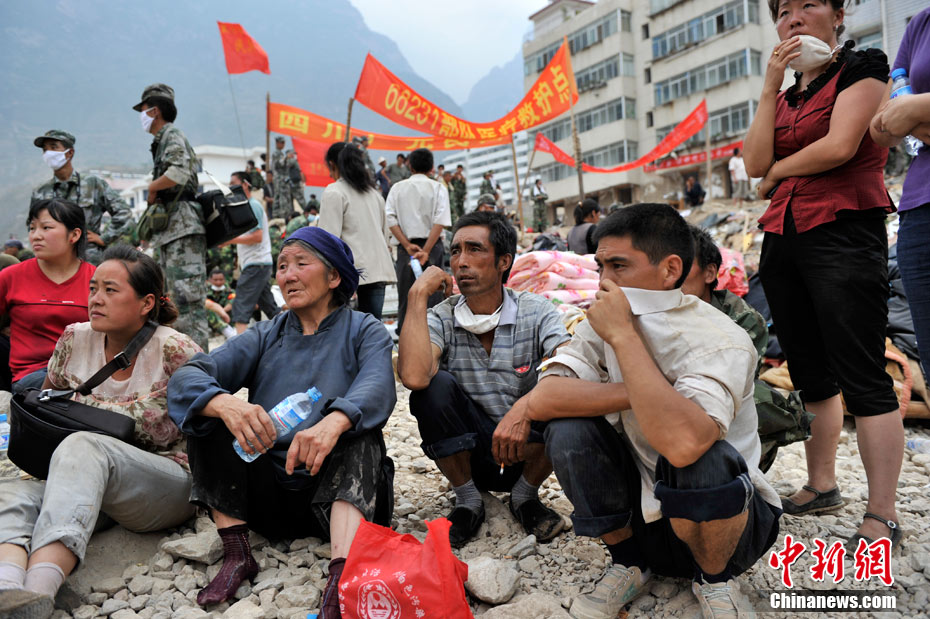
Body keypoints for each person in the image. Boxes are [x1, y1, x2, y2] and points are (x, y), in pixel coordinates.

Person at [525, 204, 780, 619]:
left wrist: (625, 338)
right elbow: (544, 399)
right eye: (601, 266)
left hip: (727, 524)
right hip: (646, 516)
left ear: (670, 269)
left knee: (702, 456)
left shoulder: (720, 338)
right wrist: (640, 390)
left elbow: (684, 444)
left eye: (619, 266)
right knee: (568, 430)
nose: (604, 281)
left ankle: (715, 580)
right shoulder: (605, 322)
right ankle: (629, 562)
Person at [167, 227, 396, 613]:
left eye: (301, 264)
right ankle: (237, 553)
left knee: (359, 431)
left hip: (339, 497)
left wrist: (334, 421)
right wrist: (224, 404)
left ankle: (342, 573)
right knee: (209, 417)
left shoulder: (364, 329)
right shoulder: (266, 333)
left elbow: (378, 385)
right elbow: (188, 377)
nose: (288, 275)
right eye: (282, 266)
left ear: (334, 277)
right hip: (268, 500)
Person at [743, 0, 903, 550]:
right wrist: (770, 85)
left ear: (837, 15)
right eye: (782, 10)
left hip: (843, 230)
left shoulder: (864, 66)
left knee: (862, 371)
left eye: (807, 4)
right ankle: (822, 484)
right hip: (783, 235)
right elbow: (753, 162)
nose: (792, 18)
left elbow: (839, 146)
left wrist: (777, 174)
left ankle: (883, 514)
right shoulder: (788, 93)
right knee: (810, 370)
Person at [0, 245, 200, 616]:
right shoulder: (74, 339)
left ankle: (41, 588)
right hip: (85, 480)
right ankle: (9, 591)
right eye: (93, 289)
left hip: (164, 483)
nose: (96, 299)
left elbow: (195, 425)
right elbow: (51, 410)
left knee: (84, 444)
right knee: (12, 493)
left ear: (146, 303)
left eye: (110, 290)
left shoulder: (174, 349)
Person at [397, 211, 570, 547]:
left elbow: (569, 365)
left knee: (564, 392)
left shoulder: (536, 311)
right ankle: (468, 500)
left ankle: (524, 496)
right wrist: (417, 295)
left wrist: (524, 410)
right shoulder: (442, 316)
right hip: (469, 455)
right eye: (456, 251)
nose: (461, 262)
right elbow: (414, 376)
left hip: (525, 450)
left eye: (474, 249)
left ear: (504, 261)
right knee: (433, 389)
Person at [870, 7, 930, 378]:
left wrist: (914, 107)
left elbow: (897, 110)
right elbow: (880, 128)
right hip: (920, 208)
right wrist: (903, 113)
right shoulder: (920, 24)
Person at [134, 83, 209, 352]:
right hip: (172, 230)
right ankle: (181, 361)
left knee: (187, 302)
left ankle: (198, 366)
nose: (141, 116)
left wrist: (153, 187)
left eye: (143, 110)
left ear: (154, 111)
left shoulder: (172, 134)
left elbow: (178, 172)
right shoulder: (161, 140)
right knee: (172, 301)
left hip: (183, 228)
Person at [0, 199, 93, 394]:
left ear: (74, 235)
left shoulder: (96, 279)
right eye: (32, 228)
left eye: (46, 227)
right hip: (32, 379)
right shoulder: (10, 277)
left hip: (87, 374)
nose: (36, 236)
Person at [30, 130, 134, 266]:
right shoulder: (41, 191)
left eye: (54, 147)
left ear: (69, 153)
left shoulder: (93, 184)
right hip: (54, 260)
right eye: (45, 150)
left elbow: (123, 212)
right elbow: (32, 224)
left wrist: (105, 238)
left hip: (88, 257)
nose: (48, 153)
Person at [319, 142, 396, 320]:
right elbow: (386, 236)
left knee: (341, 326)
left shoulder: (334, 192)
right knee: (372, 326)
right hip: (378, 270)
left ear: (332, 164)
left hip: (347, 274)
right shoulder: (374, 194)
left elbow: (328, 241)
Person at [385, 148, 451, 335]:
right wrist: (426, 251)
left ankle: (407, 338)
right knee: (434, 295)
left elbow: (390, 219)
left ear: (410, 166)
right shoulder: (438, 187)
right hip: (432, 247)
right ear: (431, 167)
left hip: (407, 249)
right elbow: (440, 221)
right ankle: (436, 336)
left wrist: (407, 245)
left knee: (407, 295)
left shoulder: (397, 188)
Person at [220, 172, 279, 335]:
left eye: (234, 183)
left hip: (256, 263)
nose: (230, 186)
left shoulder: (253, 206)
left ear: (245, 184)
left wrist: (230, 240)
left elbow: (257, 236)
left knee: (241, 304)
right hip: (258, 263)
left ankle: (239, 344)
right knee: (270, 307)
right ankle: (294, 334)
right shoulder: (246, 207)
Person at [205, 268, 236, 340]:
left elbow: (231, 304)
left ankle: (229, 331)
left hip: (227, 319)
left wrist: (220, 312)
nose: (218, 282)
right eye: (215, 280)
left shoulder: (230, 292)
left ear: (225, 280)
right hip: (210, 320)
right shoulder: (205, 292)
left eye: (221, 279)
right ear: (210, 280)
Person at [270, 137, 291, 220]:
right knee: (281, 196)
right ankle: (281, 215)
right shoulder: (276, 153)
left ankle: (279, 214)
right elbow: (280, 164)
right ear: (277, 143)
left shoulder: (280, 153)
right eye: (281, 143)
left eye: (283, 143)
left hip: (281, 178)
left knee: (280, 196)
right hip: (279, 178)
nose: (283, 145)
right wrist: (286, 158)